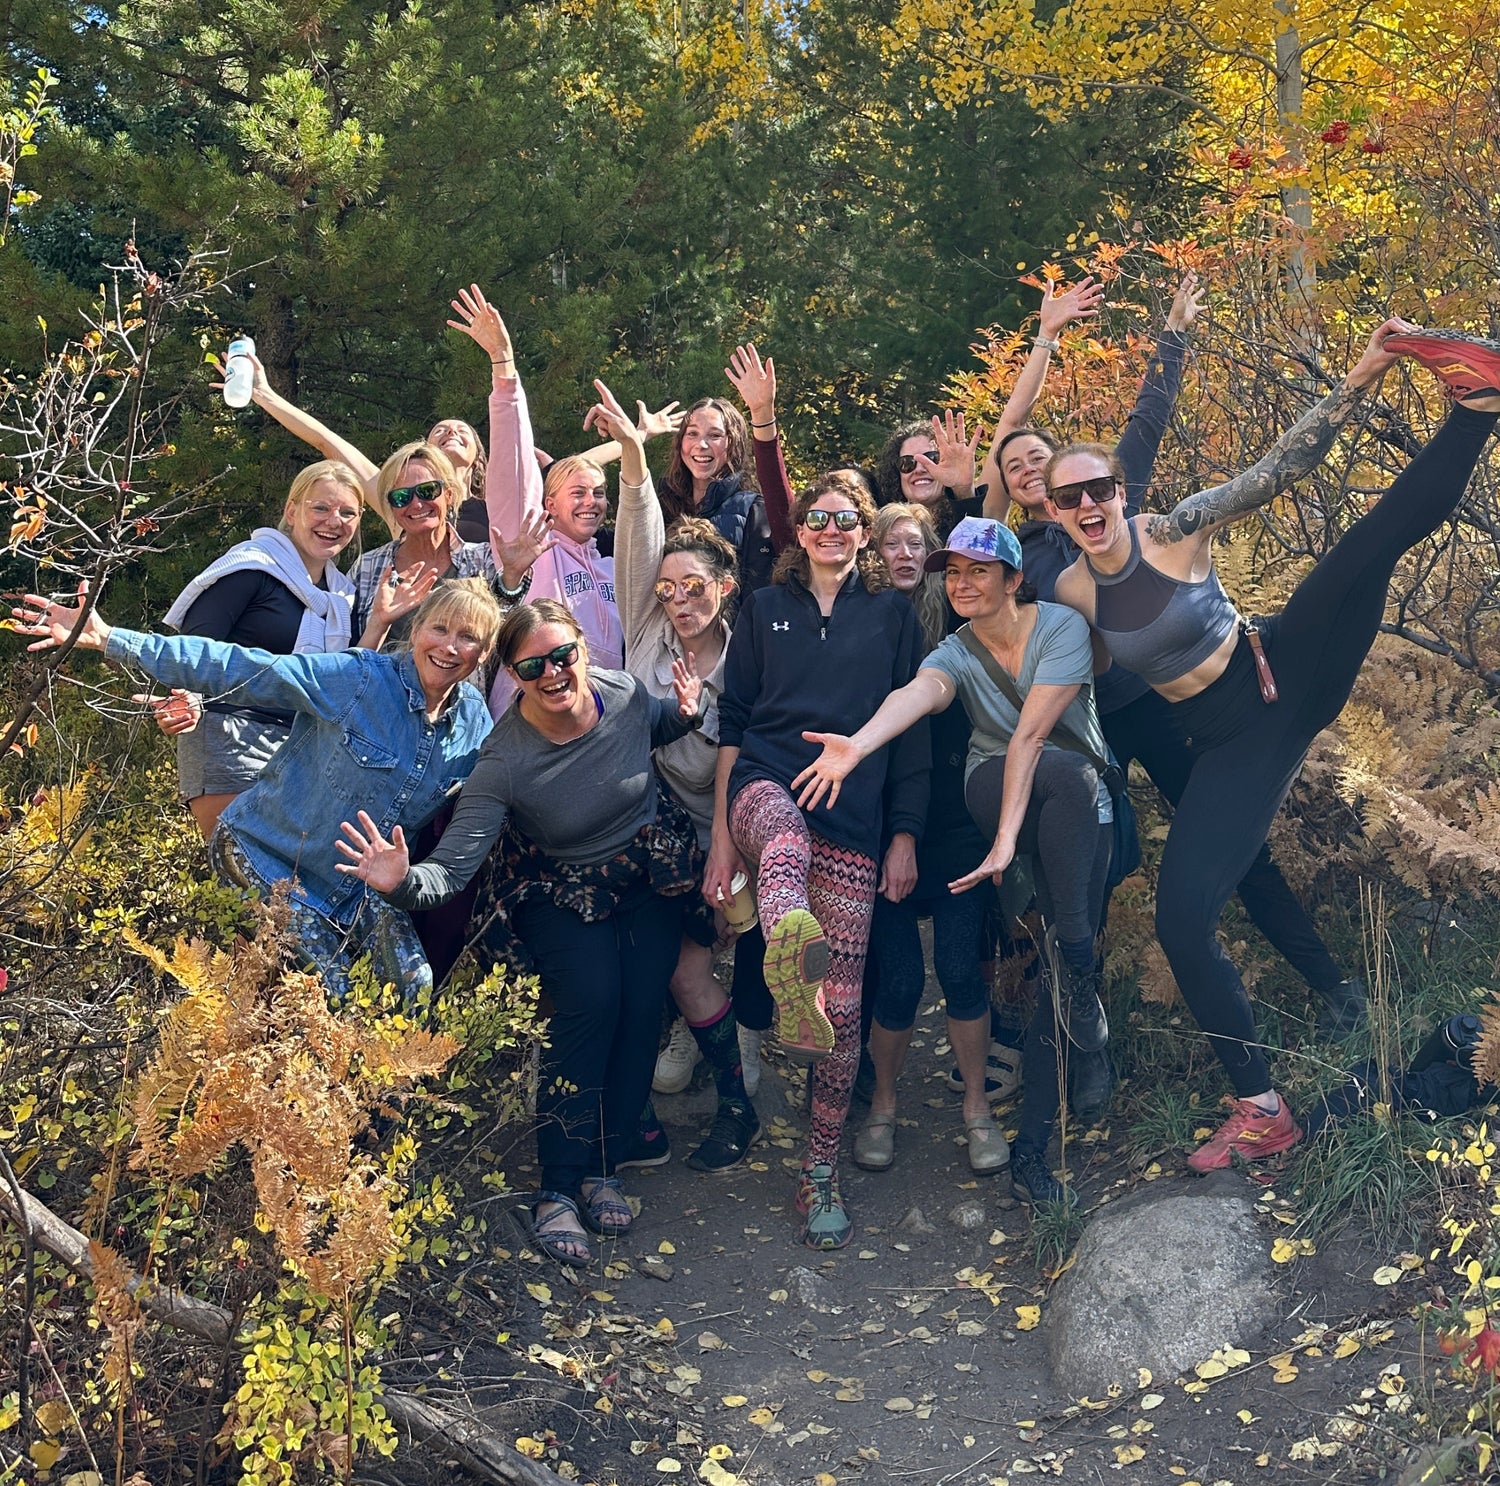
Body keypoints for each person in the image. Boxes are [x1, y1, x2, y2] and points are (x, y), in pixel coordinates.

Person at [1044, 321, 1500, 1171]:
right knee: (1183, 923)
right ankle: (1262, 1110)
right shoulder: (1069, 589)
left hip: (1284, 668)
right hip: (1229, 742)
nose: (1088, 507)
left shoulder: (1173, 527)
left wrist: (1362, 370)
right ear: (1054, 513)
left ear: (1117, 485)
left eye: (1098, 488)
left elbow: (1279, 468)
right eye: (1068, 499)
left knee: (1367, 545)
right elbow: (1046, 669)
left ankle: (1476, 405)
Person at [994, 273, 1366, 1054]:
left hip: (1156, 707)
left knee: (1244, 853)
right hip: (1078, 724)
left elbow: (1148, 420)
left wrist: (1175, 333)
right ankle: (1077, 1039)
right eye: (1018, 461)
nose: (1031, 466)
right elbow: (1004, 437)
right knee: (1076, 865)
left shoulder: (1109, 503)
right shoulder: (1013, 549)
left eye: (1042, 458)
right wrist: (1044, 338)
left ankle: (1333, 988)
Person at [335, 600, 706, 1270]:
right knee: (591, 1004)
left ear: (583, 649)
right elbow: (451, 870)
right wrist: (400, 881)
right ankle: (558, 1188)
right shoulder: (503, 759)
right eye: (533, 665)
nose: (554, 673)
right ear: (512, 674)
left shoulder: (621, 694)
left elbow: (659, 724)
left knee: (641, 1008)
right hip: (556, 887)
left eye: (562, 655)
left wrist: (688, 711)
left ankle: (604, 1166)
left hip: (645, 874)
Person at [795, 516, 1114, 1207]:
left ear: (1012, 578)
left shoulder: (1059, 629)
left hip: (1069, 795)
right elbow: (917, 695)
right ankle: (1076, 960)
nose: (963, 583)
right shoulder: (954, 651)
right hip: (991, 785)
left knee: (1071, 829)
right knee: (1053, 805)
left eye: (978, 571)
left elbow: (1036, 735)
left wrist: (1009, 843)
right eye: (955, 573)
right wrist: (857, 742)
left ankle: (1077, 986)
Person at [14, 579, 502, 1005]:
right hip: (266, 855)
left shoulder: (474, 721)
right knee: (335, 996)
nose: (450, 647)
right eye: (439, 629)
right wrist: (110, 639)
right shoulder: (359, 680)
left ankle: (378, 1108)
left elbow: (508, 774)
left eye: (468, 638)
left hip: (359, 884)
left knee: (412, 988)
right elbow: (243, 667)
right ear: (415, 631)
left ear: (483, 653)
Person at [706, 473, 929, 1249]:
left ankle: (819, 1170)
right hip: (765, 786)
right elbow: (732, 723)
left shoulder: (894, 615)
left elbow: (912, 730)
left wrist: (904, 831)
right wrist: (720, 837)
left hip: (857, 815)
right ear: (798, 533)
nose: (830, 529)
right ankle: (786, 956)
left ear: (865, 533)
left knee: (841, 1010)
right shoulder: (764, 610)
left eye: (846, 519)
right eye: (817, 519)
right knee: (787, 846)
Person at [599, 377, 759, 1173]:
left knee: (693, 968)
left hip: (716, 823)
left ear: (724, 588)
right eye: (668, 588)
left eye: (692, 588)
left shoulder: (745, 651)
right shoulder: (646, 627)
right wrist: (632, 460)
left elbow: (735, 757)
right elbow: (636, 532)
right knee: (651, 966)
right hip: (638, 825)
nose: (677, 599)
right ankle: (636, 1120)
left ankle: (739, 1103)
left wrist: (725, 849)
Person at [232, 295, 681, 543]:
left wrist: (637, 435)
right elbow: (332, 446)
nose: (451, 432)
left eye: (463, 430)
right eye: (440, 430)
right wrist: (266, 395)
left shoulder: (501, 498)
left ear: (480, 454)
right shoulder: (403, 500)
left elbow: (583, 463)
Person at [854, 504, 1006, 1175]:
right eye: (894, 543)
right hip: (875, 826)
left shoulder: (962, 628)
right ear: (874, 552)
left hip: (954, 828)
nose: (907, 554)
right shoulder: (859, 625)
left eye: (919, 543)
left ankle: (978, 1108)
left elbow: (993, 551)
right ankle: (882, 1104)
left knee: (958, 967)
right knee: (899, 980)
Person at [150, 459, 363, 841]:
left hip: (301, 747)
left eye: (348, 512)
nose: (334, 521)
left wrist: (379, 620)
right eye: (321, 508)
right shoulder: (252, 568)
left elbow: (346, 678)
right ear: (291, 511)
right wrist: (187, 699)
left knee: (282, 888)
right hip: (228, 733)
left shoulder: (341, 600)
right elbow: (195, 647)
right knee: (240, 875)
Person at [873, 277, 1106, 532]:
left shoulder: (982, 510)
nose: (921, 468)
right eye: (908, 463)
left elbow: (1013, 422)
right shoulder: (883, 534)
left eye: (932, 458)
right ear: (896, 475)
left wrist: (1046, 336)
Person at [657, 344, 796, 596]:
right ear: (680, 444)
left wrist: (762, 413)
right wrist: (634, 439)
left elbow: (790, 534)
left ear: (734, 445)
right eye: (692, 434)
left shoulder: (753, 510)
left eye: (715, 435)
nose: (702, 444)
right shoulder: (660, 504)